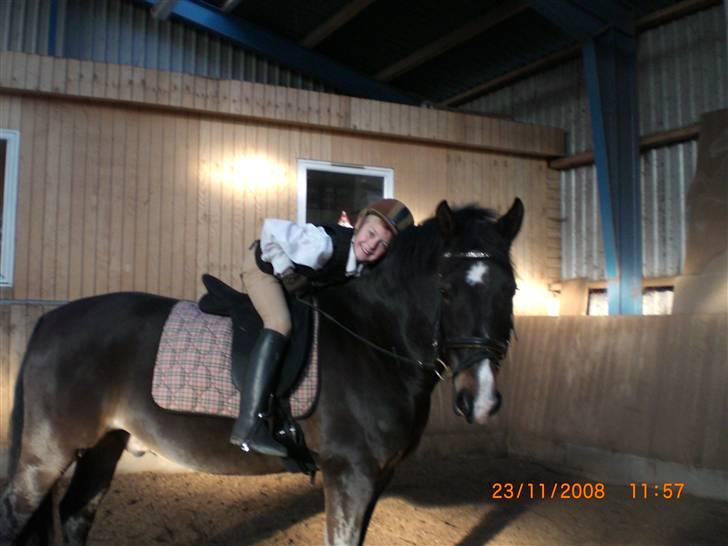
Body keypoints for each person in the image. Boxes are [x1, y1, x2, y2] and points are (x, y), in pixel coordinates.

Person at [231, 198, 414, 457]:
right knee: (280, 323)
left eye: (383, 244)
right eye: (371, 234)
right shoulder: (321, 245)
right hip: (265, 267)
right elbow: (271, 230)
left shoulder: (363, 267)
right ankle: (249, 425)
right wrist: (286, 272)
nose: (372, 245)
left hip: (301, 279)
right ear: (359, 225)